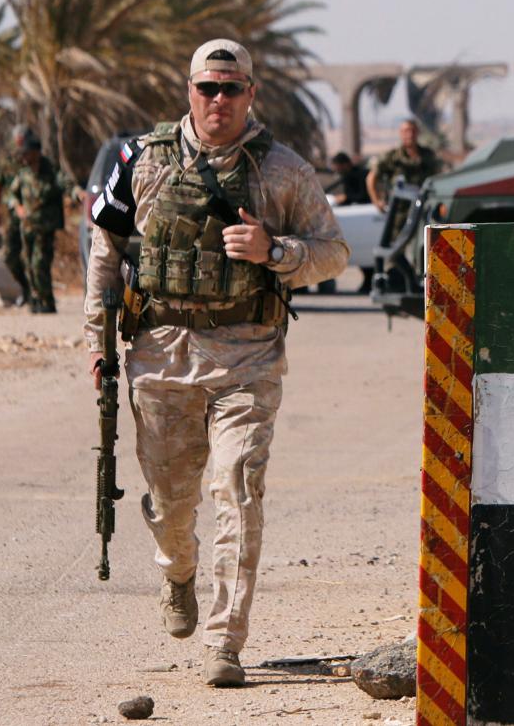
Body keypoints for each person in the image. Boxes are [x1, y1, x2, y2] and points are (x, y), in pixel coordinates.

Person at [83, 38, 349, 685]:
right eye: (208, 88)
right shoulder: (140, 161)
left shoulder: (281, 170)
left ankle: (226, 643)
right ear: (189, 92)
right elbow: (107, 249)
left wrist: (274, 250)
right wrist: (97, 337)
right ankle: (178, 571)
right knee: (173, 506)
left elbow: (333, 252)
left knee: (237, 490)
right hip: (161, 360)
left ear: (251, 94)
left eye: (232, 88)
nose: (219, 100)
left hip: (247, 360)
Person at [9, 128, 65, 313]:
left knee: (39, 263)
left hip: (45, 227)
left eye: (26, 153)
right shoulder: (23, 174)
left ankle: (47, 302)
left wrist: (78, 194)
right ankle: (36, 299)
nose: (23, 157)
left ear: (35, 152)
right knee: (27, 263)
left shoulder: (50, 170)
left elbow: (65, 183)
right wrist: (18, 207)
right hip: (27, 227)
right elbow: (13, 195)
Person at [0, 126, 34, 305]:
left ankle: (37, 294)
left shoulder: (34, 159)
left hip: (33, 217)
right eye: (18, 141)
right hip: (14, 218)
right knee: (9, 257)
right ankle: (25, 289)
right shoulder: (9, 162)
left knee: (32, 257)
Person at [365, 118, 441, 212]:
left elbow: (438, 179)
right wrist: (377, 201)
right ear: (400, 133)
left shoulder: (428, 156)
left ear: (418, 133)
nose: (410, 134)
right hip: (399, 213)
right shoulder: (392, 157)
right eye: (406, 131)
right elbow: (371, 178)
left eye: (413, 131)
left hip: (423, 210)